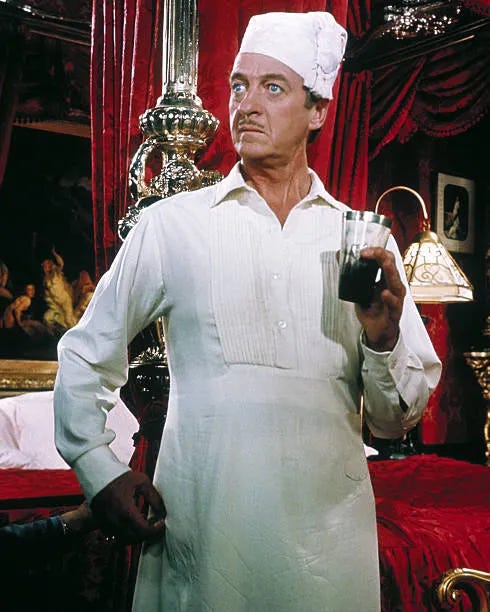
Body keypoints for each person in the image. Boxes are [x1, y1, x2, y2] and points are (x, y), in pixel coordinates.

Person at [54, 11, 441, 611]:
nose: (247, 105)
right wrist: (97, 468)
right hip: (205, 538)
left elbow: (393, 423)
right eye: (239, 86)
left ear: (318, 111)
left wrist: (383, 337)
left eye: (273, 87)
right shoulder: (173, 226)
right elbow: (84, 355)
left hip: (328, 553)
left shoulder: (360, 241)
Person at [41, 247, 78, 331]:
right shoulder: (45, 280)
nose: (45, 267)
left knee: (69, 321)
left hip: (65, 301)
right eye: (44, 265)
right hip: (56, 305)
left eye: (47, 265)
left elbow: (61, 264)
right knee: (47, 319)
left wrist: (54, 254)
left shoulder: (56, 273)